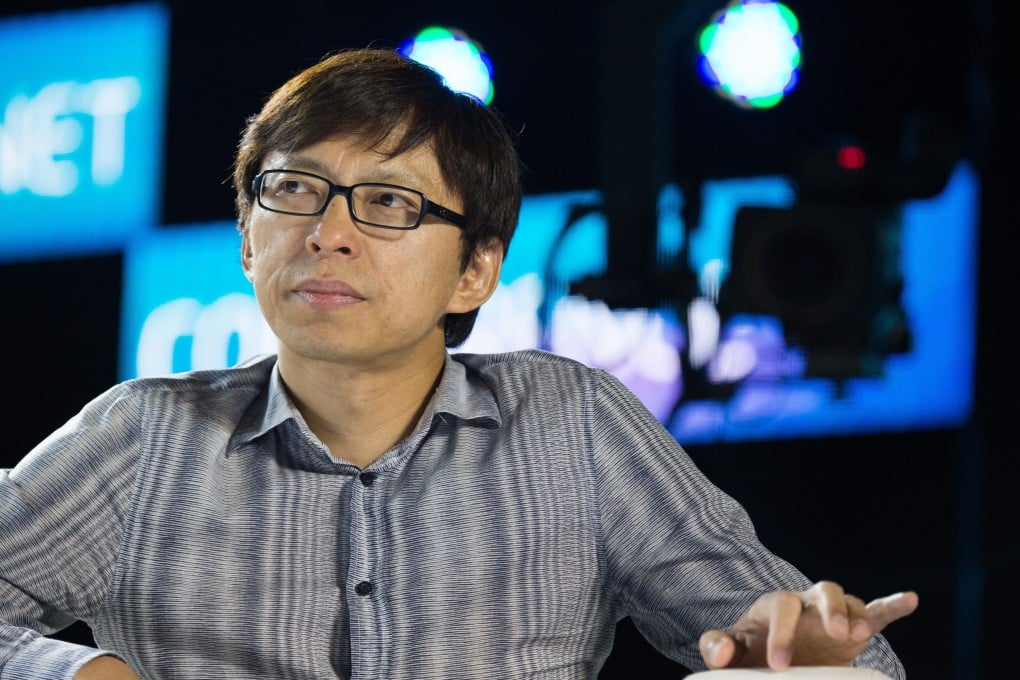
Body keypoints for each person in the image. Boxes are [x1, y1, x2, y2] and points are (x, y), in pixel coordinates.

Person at [0, 47, 918, 679]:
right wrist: (79, 669)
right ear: (247, 238)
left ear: (475, 271)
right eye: (292, 190)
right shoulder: (144, 440)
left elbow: (821, 643)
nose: (328, 234)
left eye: (390, 203)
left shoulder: (573, 425)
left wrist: (810, 659)